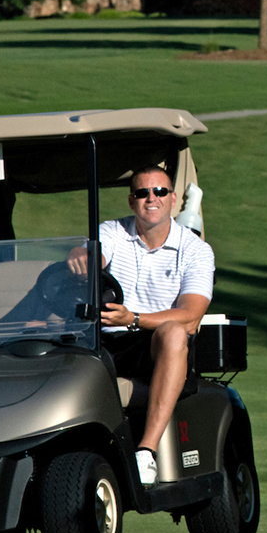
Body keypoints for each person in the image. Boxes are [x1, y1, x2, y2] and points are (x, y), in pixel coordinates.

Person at [68, 164, 214, 486]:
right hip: (106, 337)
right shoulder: (114, 232)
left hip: (154, 346)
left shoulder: (196, 251)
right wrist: (83, 256)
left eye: (160, 191)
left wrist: (132, 318)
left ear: (173, 199)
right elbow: (95, 252)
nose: (152, 198)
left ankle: (146, 451)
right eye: (143, 193)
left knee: (175, 332)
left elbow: (190, 316)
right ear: (132, 201)